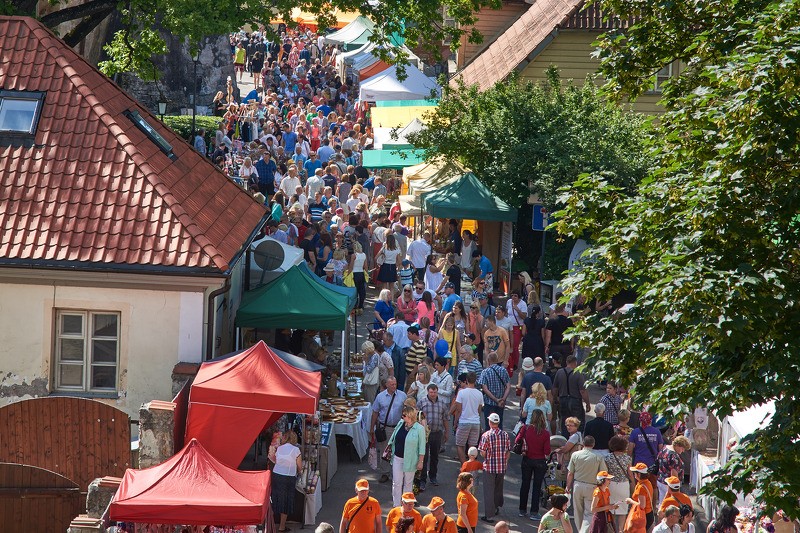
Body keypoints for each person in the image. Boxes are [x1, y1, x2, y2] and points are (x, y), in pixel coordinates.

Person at [566, 435, 608, 533]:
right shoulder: (598, 457)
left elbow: (570, 473)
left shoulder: (575, 455)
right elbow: (603, 472)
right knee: (589, 512)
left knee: (578, 511)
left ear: (583, 444)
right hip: (592, 486)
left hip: (577, 485)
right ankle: (585, 531)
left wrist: (568, 486)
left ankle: (580, 530)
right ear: (593, 444)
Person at [389, 404, 426, 506]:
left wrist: (420, 462)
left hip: (411, 460)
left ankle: (406, 505)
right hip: (397, 457)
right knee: (396, 483)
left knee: (408, 484)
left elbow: (422, 447)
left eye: (404, 415)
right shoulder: (401, 423)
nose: (402, 417)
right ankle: (396, 505)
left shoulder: (419, 429)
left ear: (410, 416)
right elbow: (393, 439)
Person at [370, 377, 407, 482]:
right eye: (392, 385)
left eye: (395, 384)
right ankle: (385, 473)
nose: (394, 386)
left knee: (399, 451)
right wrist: (371, 427)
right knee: (384, 451)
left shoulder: (402, 395)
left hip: (399, 427)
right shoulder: (380, 397)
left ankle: (398, 473)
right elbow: (375, 412)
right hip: (385, 428)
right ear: (386, 385)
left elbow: (407, 410)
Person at [516, 409, 551, 520]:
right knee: (537, 486)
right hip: (540, 461)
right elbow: (547, 451)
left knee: (525, 485)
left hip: (527, 459)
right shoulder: (545, 433)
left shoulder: (525, 429)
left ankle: (522, 510)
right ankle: (534, 512)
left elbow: (517, 440)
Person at [478, 412, 511, 523]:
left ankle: (489, 515)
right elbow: (508, 451)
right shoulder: (505, 434)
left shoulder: (486, 435)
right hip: (501, 467)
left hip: (490, 467)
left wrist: (487, 455)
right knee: (498, 489)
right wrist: (505, 462)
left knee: (488, 491)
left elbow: (482, 452)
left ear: (490, 422)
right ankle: (496, 507)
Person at [417, 383, 450, 491]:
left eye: (435, 392)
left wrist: (446, 432)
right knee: (424, 457)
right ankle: (422, 480)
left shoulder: (442, 403)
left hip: (437, 433)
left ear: (437, 392)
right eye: (431, 392)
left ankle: (433, 477)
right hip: (425, 434)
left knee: (435, 456)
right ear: (428, 392)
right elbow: (416, 418)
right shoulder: (421, 402)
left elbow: (445, 418)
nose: (433, 394)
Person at [270, 431, 302, 532]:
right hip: (288, 477)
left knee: (276, 498)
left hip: (276, 475)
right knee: (286, 501)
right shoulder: (296, 450)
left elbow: (276, 460)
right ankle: (282, 526)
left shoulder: (279, 448)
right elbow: (300, 467)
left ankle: (272, 523)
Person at [552, 355, 591, 435]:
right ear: (575, 363)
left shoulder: (560, 372)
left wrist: (555, 399)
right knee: (578, 422)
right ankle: (576, 439)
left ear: (566, 362)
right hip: (575, 400)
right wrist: (587, 403)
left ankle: (565, 439)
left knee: (565, 422)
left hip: (563, 399)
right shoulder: (578, 374)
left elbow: (555, 388)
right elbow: (583, 391)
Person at [453, 371, 484, 463]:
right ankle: (471, 466)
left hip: (464, 421)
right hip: (475, 422)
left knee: (460, 445)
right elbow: (479, 411)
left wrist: (455, 423)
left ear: (466, 380)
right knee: (472, 446)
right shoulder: (479, 394)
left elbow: (458, 410)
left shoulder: (462, 393)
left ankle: (464, 467)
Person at [606, 435, 634, 532]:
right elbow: (630, 474)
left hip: (611, 485)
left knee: (612, 509)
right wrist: (633, 487)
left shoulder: (607, 457)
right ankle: (621, 530)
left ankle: (612, 529)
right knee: (623, 511)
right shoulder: (627, 458)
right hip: (624, 485)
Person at [478, 351, 511, 428]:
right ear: (497, 360)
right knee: (499, 424)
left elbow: (485, 389)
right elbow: (508, 387)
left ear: (488, 361)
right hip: (501, 404)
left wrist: (496, 399)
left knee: (488, 425)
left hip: (489, 403)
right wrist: (503, 399)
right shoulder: (503, 370)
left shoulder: (485, 372)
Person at [656, 436, 691, 504]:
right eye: (682, 448)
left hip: (661, 480)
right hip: (669, 485)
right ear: (677, 445)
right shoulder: (674, 456)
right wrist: (676, 490)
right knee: (669, 504)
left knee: (662, 502)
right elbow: (674, 476)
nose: (683, 451)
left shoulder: (664, 448)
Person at [626, 463, 656, 532]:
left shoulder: (641, 487)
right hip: (649, 514)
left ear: (639, 474)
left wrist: (630, 501)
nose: (634, 475)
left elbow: (642, 505)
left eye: (635, 473)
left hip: (643, 516)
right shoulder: (647, 482)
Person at [505, 291, 527, 371]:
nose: (513, 297)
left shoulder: (523, 304)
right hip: (508, 326)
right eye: (512, 295)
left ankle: (515, 363)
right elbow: (507, 313)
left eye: (515, 296)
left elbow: (524, 317)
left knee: (514, 346)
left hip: (517, 327)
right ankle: (508, 361)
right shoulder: (509, 302)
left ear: (519, 297)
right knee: (508, 344)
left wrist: (518, 310)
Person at [405, 326, 428, 392]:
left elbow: (418, 361)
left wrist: (412, 374)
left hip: (413, 374)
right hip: (411, 372)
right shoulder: (416, 343)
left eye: (409, 334)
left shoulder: (419, 344)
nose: (407, 335)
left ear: (414, 334)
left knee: (410, 391)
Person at [348, 241, 368, 312]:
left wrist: (348, 274)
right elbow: (365, 266)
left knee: (355, 290)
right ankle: (361, 305)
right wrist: (367, 274)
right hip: (361, 273)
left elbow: (351, 266)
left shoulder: (354, 255)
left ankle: (355, 304)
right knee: (361, 290)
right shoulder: (364, 255)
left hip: (355, 273)